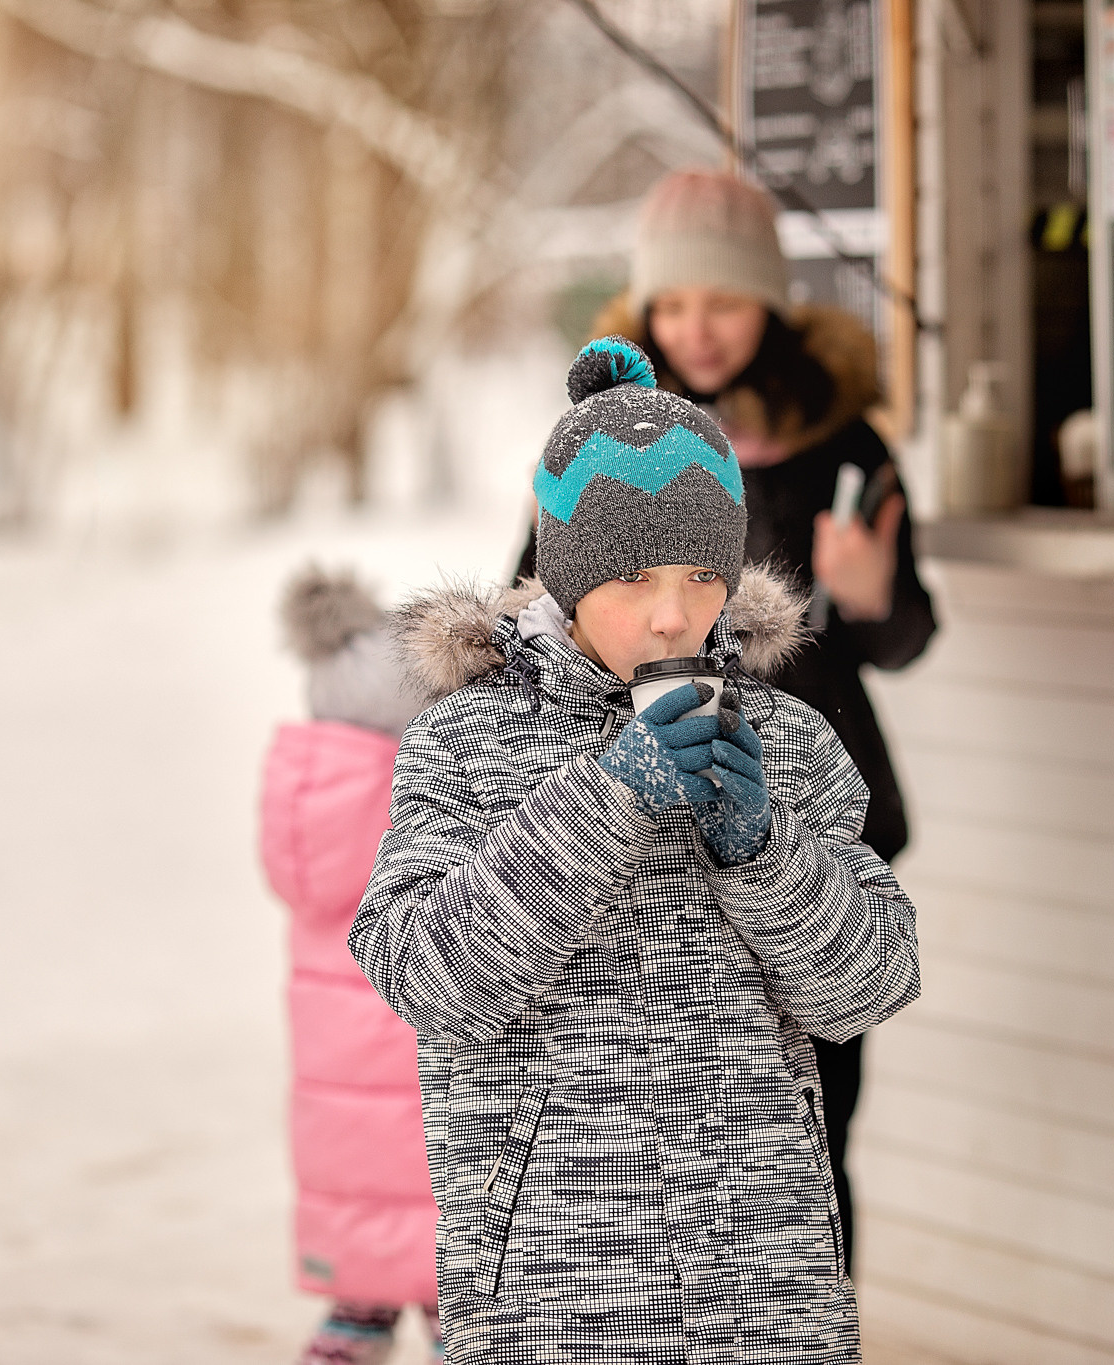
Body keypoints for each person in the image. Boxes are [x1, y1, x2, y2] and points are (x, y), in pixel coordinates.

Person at [352, 337, 921, 1363]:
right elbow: (425, 976)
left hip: (761, 1295)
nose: (672, 612)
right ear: (564, 574)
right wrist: (605, 799)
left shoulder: (785, 741)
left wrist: (766, 853)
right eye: (633, 577)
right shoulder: (463, 742)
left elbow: (866, 988)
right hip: (551, 1298)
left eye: (703, 573)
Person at [514, 168, 937, 1273]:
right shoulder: (612, 442)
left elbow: (902, 641)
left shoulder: (842, 447)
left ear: (770, 304)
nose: (695, 330)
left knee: (804, 1126)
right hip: (646, 812)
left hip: (805, 813)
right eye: (673, 303)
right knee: (651, 1136)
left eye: (724, 301)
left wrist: (872, 589)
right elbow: (535, 619)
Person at [260, 568, 443, 1365]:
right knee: (451, 1294)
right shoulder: (414, 798)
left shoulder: (306, 804)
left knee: (358, 1301)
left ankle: (354, 1319)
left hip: (339, 1132)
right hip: (421, 1124)